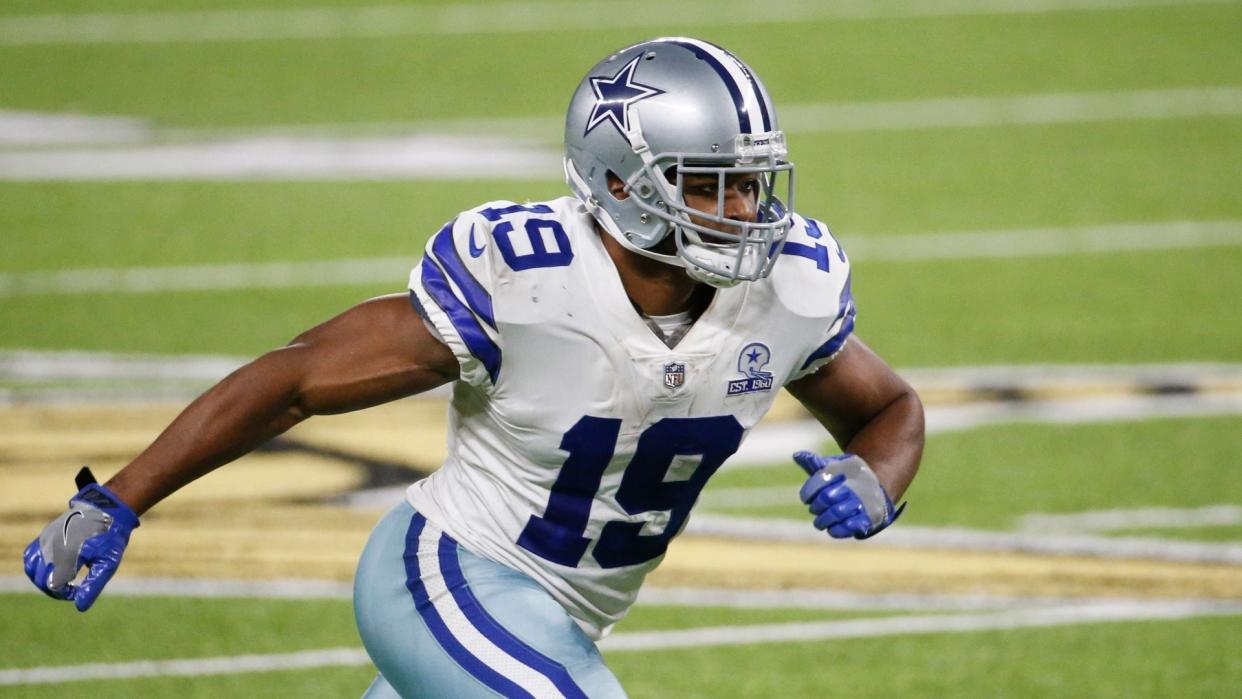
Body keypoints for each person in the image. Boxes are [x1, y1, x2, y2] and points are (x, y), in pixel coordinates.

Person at [24, 37, 924, 698]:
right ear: (618, 183)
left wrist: (878, 479)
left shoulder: (788, 287)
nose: (741, 209)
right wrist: (119, 498)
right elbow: (296, 378)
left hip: (561, 617)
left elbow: (887, 408)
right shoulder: (532, 280)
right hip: (447, 569)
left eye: (751, 182)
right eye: (706, 183)